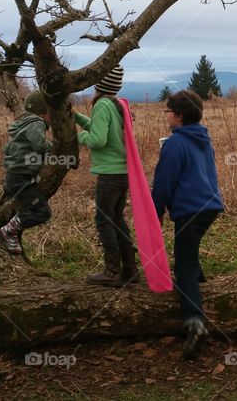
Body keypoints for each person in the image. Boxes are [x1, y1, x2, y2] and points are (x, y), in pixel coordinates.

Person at [151, 90, 225, 360]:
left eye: (167, 110)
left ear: (179, 116)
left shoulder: (174, 144)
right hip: (210, 206)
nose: (166, 115)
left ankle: (195, 321)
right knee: (189, 251)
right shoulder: (203, 138)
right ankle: (202, 284)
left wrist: (154, 212)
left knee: (183, 265)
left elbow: (163, 183)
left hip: (190, 210)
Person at [72, 65, 138, 287]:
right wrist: (79, 118)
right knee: (117, 219)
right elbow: (104, 130)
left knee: (103, 220)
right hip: (123, 172)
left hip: (109, 174)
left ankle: (112, 272)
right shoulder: (118, 105)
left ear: (99, 83)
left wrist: (78, 138)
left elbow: (98, 139)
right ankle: (130, 269)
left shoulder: (102, 104)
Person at [0, 90, 54, 255]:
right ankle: (8, 231)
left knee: (36, 206)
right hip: (20, 181)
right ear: (44, 112)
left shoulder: (25, 123)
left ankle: (10, 228)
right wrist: (55, 148)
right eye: (51, 112)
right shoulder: (36, 123)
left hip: (17, 178)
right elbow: (40, 146)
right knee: (42, 212)